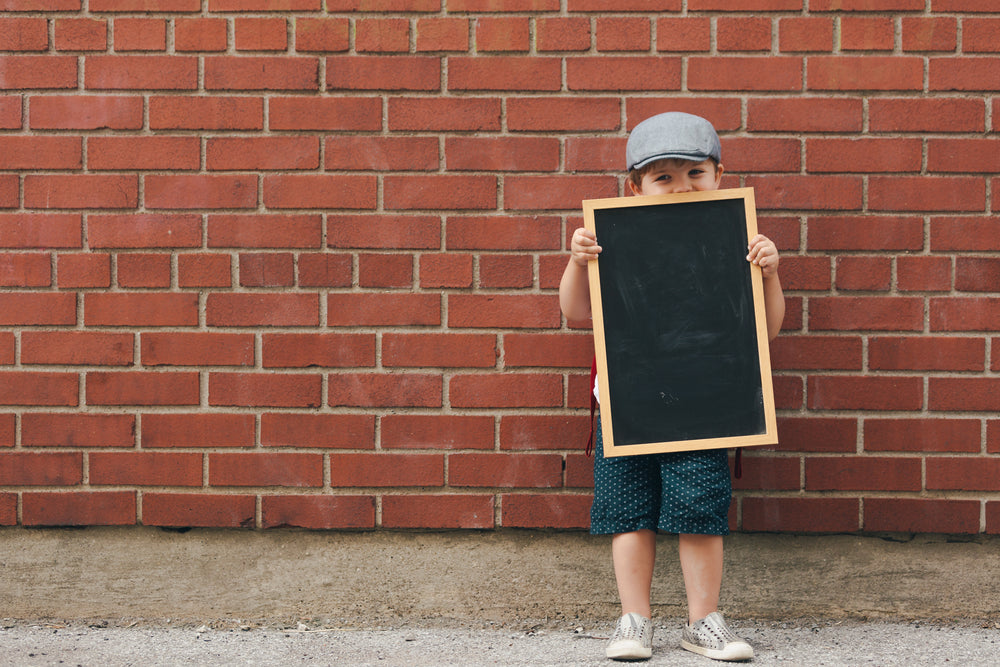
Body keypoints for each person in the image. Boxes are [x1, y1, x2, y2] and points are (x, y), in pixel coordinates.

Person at [559, 112, 785, 662]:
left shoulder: (736, 239)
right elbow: (574, 312)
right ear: (635, 186)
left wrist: (771, 271)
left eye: (694, 173)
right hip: (626, 405)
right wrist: (575, 261)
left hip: (706, 405)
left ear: (719, 176)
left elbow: (767, 328)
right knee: (626, 513)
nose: (681, 186)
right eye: (663, 177)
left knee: (699, 510)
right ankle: (634, 621)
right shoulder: (612, 241)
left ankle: (703, 621)